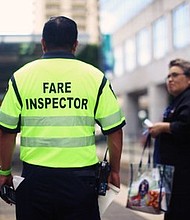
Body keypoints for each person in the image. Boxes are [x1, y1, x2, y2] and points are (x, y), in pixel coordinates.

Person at [0, 16, 126, 220]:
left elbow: (6, 130)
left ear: (43, 43)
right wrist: (115, 170)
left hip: (34, 180)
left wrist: (4, 171)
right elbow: (114, 130)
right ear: (75, 45)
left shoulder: (21, 77)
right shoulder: (95, 78)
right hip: (81, 183)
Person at [149, 58, 190, 220]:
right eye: (168, 76)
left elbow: (186, 127)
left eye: (175, 75)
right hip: (173, 176)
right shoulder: (178, 100)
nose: (170, 79)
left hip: (184, 180)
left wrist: (163, 127)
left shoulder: (188, 99)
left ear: (188, 78)